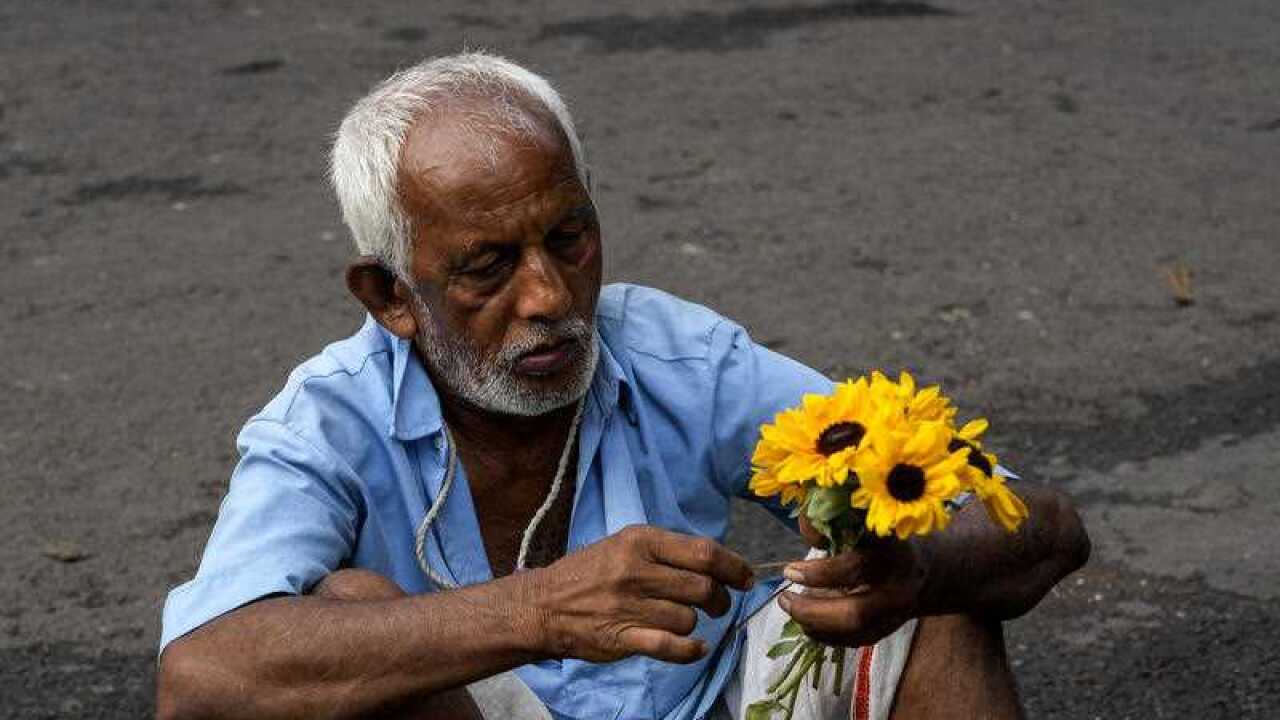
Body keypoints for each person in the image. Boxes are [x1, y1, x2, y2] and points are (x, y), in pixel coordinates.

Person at [155, 52, 1089, 720]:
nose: (551, 296)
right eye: (486, 266)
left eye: (569, 237)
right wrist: (537, 610)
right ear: (392, 296)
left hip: (708, 703)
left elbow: (1042, 530)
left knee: (933, 577)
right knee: (349, 616)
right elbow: (202, 678)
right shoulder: (327, 422)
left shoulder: (674, 357)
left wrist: (911, 569)